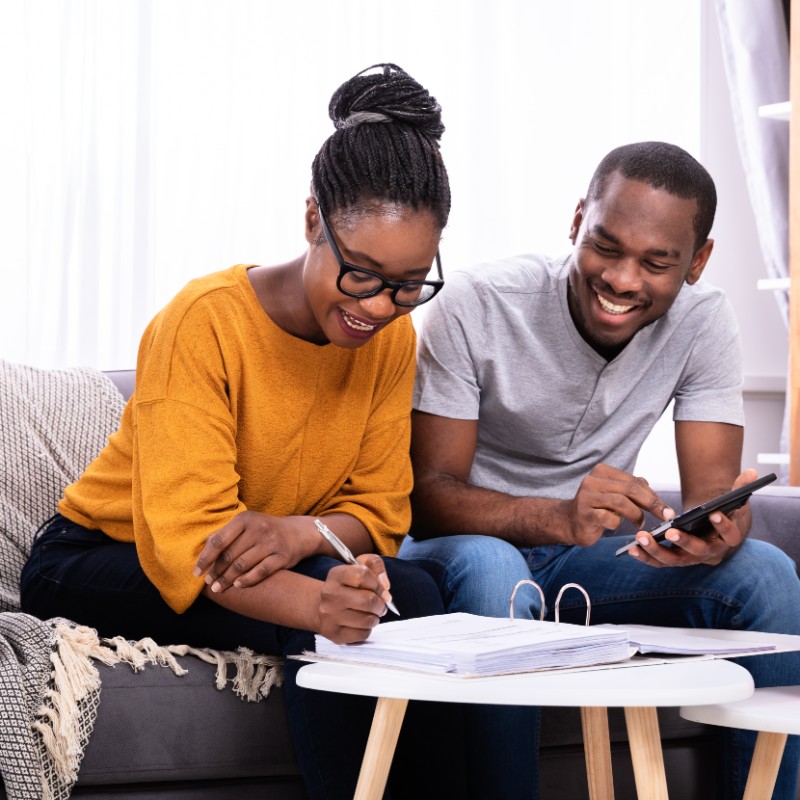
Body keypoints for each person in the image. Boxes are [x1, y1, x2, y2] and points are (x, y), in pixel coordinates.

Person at [20, 63, 468, 800]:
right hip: (103, 556)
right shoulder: (203, 323)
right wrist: (320, 598)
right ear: (313, 220)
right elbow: (189, 546)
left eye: (410, 283)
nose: (382, 306)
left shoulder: (391, 337)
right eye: (361, 274)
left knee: (416, 590)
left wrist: (297, 534)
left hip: (258, 548)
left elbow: (384, 513)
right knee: (328, 610)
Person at [399, 141, 800, 800]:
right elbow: (428, 497)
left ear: (697, 262)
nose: (620, 279)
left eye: (657, 262)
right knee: (497, 571)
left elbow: (711, 497)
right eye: (605, 247)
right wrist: (556, 516)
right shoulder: (479, 301)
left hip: (583, 564)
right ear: (577, 218)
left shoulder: (705, 323)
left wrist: (716, 527)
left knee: (767, 573)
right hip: (463, 553)